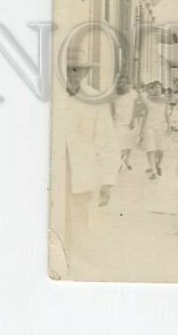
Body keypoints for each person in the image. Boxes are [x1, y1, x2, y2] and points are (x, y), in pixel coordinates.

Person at [61, 45, 119, 253]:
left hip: (81, 169)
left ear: (86, 71)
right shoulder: (54, 97)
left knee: (78, 221)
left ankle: (74, 262)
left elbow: (106, 140)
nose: (73, 74)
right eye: (69, 69)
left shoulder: (94, 99)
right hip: (54, 170)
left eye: (78, 69)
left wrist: (107, 180)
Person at [139, 81, 170, 180]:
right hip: (149, 126)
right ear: (151, 89)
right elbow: (144, 115)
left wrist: (169, 126)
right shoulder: (147, 100)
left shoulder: (165, 100)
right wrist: (141, 129)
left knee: (161, 149)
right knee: (150, 148)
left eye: (159, 88)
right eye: (155, 87)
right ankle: (154, 172)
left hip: (161, 126)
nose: (157, 89)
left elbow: (166, 114)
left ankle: (157, 165)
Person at [111, 75, 142, 171]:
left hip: (130, 121)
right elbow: (112, 108)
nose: (122, 84)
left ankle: (127, 160)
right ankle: (120, 162)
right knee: (119, 143)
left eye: (125, 82)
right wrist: (112, 119)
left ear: (128, 84)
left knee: (129, 142)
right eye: (120, 82)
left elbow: (136, 108)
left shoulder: (133, 94)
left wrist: (133, 120)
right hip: (118, 121)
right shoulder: (114, 94)